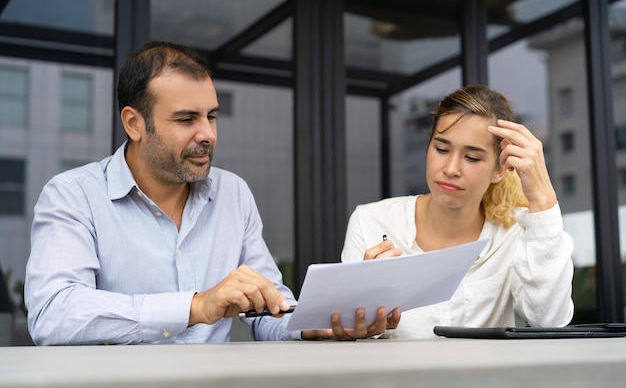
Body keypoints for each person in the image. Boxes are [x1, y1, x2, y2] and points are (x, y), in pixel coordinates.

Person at [25, 41, 396, 345]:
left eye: (212, 116)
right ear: (134, 124)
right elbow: (53, 315)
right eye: (187, 119)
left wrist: (322, 323)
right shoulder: (72, 196)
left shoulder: (233, 193)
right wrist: (196, 307)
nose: (208, 134)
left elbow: (268, 312)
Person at [341, 85, 574, 339]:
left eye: (472, 158)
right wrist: (363, 311)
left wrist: (542, 199)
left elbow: (549, 320)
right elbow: (352, 331)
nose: (451, 168)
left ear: (500, 169)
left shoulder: (515, 235)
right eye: (441, 149)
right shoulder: (371, 222)